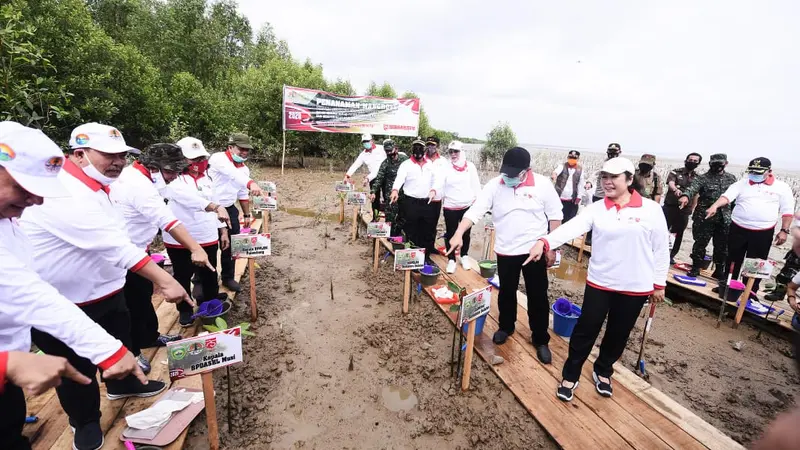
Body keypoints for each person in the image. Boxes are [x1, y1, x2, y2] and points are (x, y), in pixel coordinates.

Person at [19, 122, 193, 450]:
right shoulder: (61, 192)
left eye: (122, 155)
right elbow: (113, 244)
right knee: (77, 367)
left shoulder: (98, 187)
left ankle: (124, 385)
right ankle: (83, 421)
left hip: (109, 290)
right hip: (66, 302)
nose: (117, 162)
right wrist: (167, 281)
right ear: (80, 154)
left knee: (121, 340)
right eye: (108, 155)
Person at [0, 122, 144, 450]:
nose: (35, 199)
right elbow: (30, 295)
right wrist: (6, 364)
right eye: (24, 186)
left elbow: (26, 289)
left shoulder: (8, 224)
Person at [527, 157, 669, 402]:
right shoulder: (597, 208)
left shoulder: (651, 210)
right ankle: (571, 374)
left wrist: (659, 284)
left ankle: (603, 371)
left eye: (614, 177)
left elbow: (661, 250)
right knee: (585, 330)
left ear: (629, 178)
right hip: (600, 282)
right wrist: (545, 241)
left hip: (635, 286)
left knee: (618, 333)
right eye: (604, 177)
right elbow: (571, 228)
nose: (608, 182)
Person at [449, 147, 563, 363]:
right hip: (506, 250)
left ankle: (540, 339)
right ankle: (506, 327)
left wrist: (553, 247)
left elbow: (555, 216)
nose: (508, 177)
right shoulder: (494, 185)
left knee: (538, 296)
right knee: (507, 292)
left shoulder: (542, 185)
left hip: (534, 251)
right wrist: (458, 232)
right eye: (506, 172)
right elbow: (476, 211)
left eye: (514, 174)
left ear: (526, 171)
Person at [111, 143, 216, 371]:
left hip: (139, 248)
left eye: (177, 172)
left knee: (142, 295)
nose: (173, 177)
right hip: (123, 254)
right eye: (170, 172)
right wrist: (195, 247)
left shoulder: (147, 179)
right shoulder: (138, 184)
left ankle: (148, 336)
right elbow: (166, 219)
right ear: (153, 167)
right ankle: (132, 352)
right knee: (126, 305)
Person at [705, 157, 795, 296]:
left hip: (763, 231)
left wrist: (784, 230)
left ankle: (750, 291)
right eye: (752, 172)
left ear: (769, 171)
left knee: (755, 264)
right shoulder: (742, 183)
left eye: (758, 172)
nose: (754, 175)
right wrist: (715, 206)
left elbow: (787, 211)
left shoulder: (782, 187)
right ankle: (728, 286)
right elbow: (727, 196)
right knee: (733, 259)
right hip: (738, 227)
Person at [166, 137, 231, 325]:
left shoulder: (208, 178)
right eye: (193, 160)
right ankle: (184, 309)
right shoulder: (172, 179)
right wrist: (212, 205)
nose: (197, 164)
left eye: (201, 158)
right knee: (182, 275)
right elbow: (184, 197)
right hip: (179, 238)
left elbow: (218, 203)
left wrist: (223, 230)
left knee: (210, 273)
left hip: (207, 235)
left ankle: (210, 305)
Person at [208, 133, 264, 292]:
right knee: (210, 245)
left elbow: (242, 192)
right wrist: (251, 183)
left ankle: (228, 277)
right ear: (230, 147)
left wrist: (246, 214)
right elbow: (232, 173)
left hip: (229, 208)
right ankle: (202, 280)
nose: (245, 152)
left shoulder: (244, 169)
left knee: (231, 246)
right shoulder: (218, 159)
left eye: (247, 149)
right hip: (210, 208)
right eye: (241, 149)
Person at [678, 153, 737, 280]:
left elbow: (736, 198)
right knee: (700, 244)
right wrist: (685, 196)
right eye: (714, 164)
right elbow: (692, 189)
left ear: (725, 164)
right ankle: (696, 268)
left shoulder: (731, 179)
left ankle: (719, 270)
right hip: (704, 217)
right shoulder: (703, 178)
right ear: (710, 164)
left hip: (724, 218)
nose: (716, 167)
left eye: (719, 164)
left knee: (722, 247)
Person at [435, 141, 481, 273]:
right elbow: (439, 182)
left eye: (456, 151)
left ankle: (464, 255)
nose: (453, 154)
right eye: (450, 151)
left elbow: (476, 185)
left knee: (466, 233)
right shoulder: (446, 167)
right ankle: (451, 259)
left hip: (467, 205)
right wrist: (434, 190)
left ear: (461, 151)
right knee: (451, 233)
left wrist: (479, 203)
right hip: (450, 206)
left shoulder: (470, 167)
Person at [390, 139, 440, 262]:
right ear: (412, 150)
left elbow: (436, 179)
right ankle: (413, 258)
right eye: (415, 147)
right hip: (411, 202)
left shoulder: (430, 165)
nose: (418, 150)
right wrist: (395, 190)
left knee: (427, 230)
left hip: (427, 202)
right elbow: (399, 178)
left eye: (420, 148)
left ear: (424, 150)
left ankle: (426, 257)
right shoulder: (406, 164)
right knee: (412, 230)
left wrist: (434, 190)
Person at [663, 153, 702, 264]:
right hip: (670, 206)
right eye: (690, 160)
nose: (692, 162)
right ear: (686, 160)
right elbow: (671, 183)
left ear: (698, 163)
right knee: (663, 230)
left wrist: (692, 209)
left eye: (695, 161)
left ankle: (671, 255)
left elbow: (696, 195)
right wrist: (676, 190)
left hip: (684, 210)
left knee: (678, 233)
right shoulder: (676, 172)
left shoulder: (698, 178)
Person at [583, 143, 621, 244]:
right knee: (596, 217)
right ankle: (589, 238)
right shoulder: (604, 164)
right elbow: (595, 173)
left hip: (614, 197)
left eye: (614, 153)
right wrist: (589, 182)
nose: (612, 155)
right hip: (600, 195)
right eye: (610, 152)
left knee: (611, 220)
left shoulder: (622, 165)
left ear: (619, 153)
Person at [370, 139, 408, 237]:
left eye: (390, 150)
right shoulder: (385, 163)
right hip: (390, 195)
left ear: (396, 149)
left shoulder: (405, 160)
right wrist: (373, 191)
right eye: (386, 151)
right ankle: (390, 238)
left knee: (403, 217)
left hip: (404, 194)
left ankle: (400, 237)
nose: (389, 153)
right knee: (390, 218)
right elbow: (379, 178)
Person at [345, 133, 386, 214]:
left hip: (385, 177)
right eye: (364, 142)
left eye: (367, 141)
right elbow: (355, 165)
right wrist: (347, 175)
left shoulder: (382, 149)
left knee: (387, 197)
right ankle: (375, 217)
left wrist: (367, 178)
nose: (366, 143)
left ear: (372, 141)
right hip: (373, 178)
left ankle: (388, 219)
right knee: (374, 198)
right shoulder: (363, 154)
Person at [551, 150, 585, 223]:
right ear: (567, 157)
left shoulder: (580, 170)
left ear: (578, 159)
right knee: (557, 218)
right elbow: (556, 171)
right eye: (570, 157)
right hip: (560, 198)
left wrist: (579, 196)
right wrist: (554, 175)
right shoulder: (562, 166)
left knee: (569, 220)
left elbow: (581, 184)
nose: (572, 159)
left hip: (572, 199)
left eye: (574, 158)